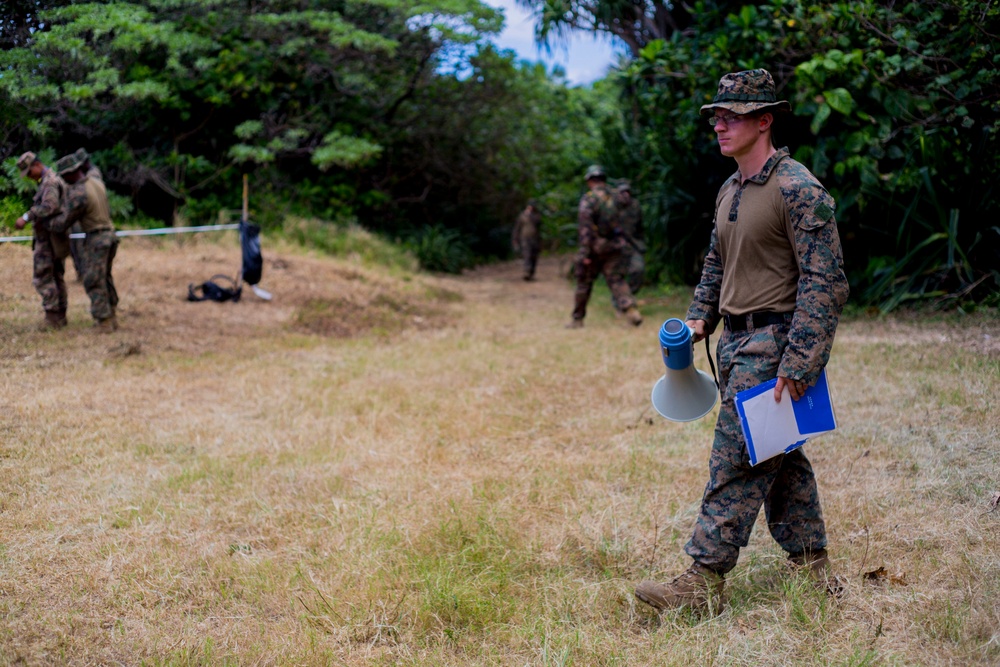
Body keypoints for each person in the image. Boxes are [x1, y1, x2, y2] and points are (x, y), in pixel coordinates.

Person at [634, 69, 850, 613]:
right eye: (716, 117)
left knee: (736, 461)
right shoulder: (730, 189)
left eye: (732, 116)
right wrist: (699, 319)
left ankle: (702, 583)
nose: (720, 125)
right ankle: (814, 568)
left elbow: (826, 282)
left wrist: (800, 362)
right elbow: (716, 262)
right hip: (732, 345)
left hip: (774, 346)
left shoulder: (797, 187)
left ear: (765, 120)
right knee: (778, 453)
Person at [48, 153, 120, 331]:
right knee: (105, 276)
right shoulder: (96, 182)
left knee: (93, 279)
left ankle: (103, 321)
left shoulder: (79, 192)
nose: (65, 180)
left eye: (65, 176)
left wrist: (47, 221)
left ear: (72, 173)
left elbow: (65, 221)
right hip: (110, 235)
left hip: (96, 239)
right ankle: (111, 314)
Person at [567, 165, 641, 328]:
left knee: (584, 282)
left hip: (595, 248)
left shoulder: (589, 199)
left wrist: (585, 253)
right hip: (615, 246)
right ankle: (630, 309)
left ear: (589, 181)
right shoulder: (617, 196)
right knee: (616, 279)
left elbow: (585, 228)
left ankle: (577, 319)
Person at [14, 151, 70, 329]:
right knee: (55, 275)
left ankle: (53, 318)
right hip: (53, 237)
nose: (29, 177)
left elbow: (49, 206)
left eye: (29, 172)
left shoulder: (50, 182)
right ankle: (59, 316)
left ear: (37, 165)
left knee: (43, 276)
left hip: (49, 239)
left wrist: (27, 216)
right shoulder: (48, 182)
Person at [67, 147, 103, 281]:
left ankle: (86, 273)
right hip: (79, 216)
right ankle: (80, 272)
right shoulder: (86, 175)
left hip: (90, 216)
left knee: (83, 247)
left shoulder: (93, 174)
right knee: (75, 246)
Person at [615, 180, 646, 295]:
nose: (625, 194)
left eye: (627, 191)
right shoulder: (611, 205)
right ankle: (619, 300)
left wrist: (641, 243)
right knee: (618, 274)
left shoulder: (635, 205)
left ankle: (629, 295)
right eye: (622, 192)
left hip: (633, 244)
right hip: (616, 245)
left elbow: (640, 227)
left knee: (638, 270)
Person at [512, 201, 542, 281]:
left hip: (535, 238)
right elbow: (517, 228)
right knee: (527, 254)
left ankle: (531, 273)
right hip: (525, 238)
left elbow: (538, 223)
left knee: (533, 256)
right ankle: (526, 272)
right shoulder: (522, 216)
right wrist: (515, 239)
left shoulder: (537, 215)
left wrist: (530, 215)